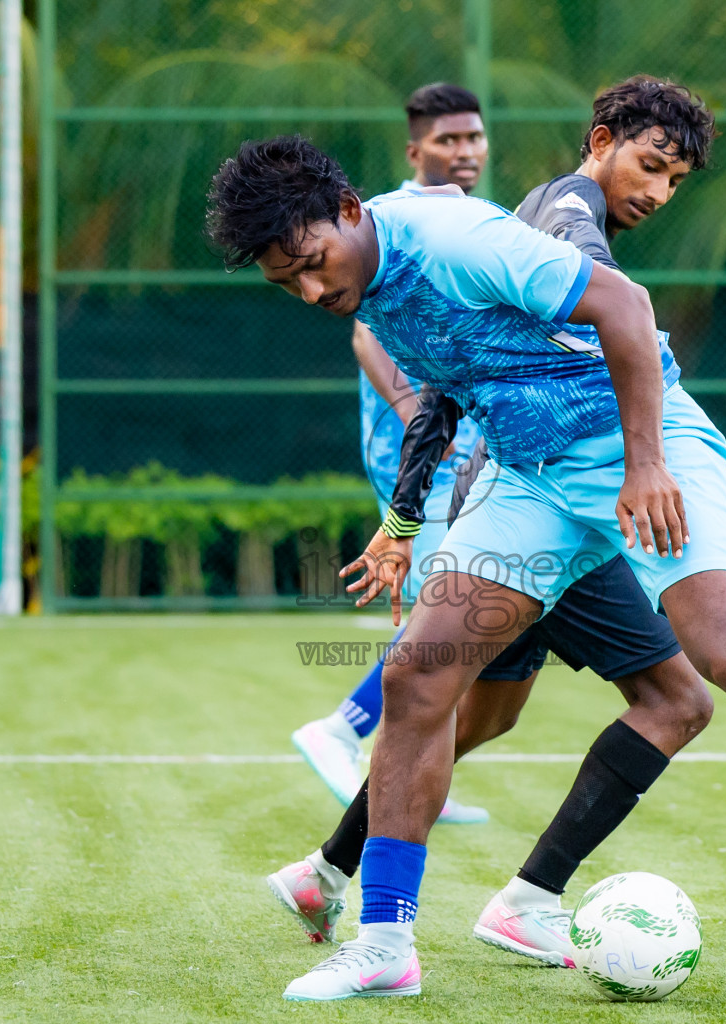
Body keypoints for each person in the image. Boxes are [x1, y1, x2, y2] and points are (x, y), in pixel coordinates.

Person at [207, 131, 726, 1001]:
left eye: (312, 264)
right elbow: (447, 388)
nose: (311, 290)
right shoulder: (366, 282)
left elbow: (624, 304)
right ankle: (385, 944)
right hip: (527, 476)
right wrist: (401, 523)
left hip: (640, 446)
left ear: (349, 210)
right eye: (287, 282)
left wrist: (646, 464)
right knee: (416, 677)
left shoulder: (455, 239)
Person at [267, 78, 720, 969]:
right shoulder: (554, 216)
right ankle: (521, 900)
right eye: (652, 167)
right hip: (537, 498)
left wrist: (402, 521)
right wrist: (643, 452)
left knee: (472, 714)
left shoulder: (477, 229)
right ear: (603, 141)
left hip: (507, 491)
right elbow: (604, 300)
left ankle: (325, 873)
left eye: (674, 180)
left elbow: (444, 384)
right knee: (674, 700)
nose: (660, 192)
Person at [289, 82, 490, 825]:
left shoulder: (462, 217)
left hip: (462, 453)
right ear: (415, 151)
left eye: (473, 137)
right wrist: (417, 419)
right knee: (450, 609)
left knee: (469, 608)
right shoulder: (384, 222)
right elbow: (367, 334)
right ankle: (342, 728)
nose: (464, 151)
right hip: (417, 456)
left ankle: (415, 774)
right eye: (447, 140)